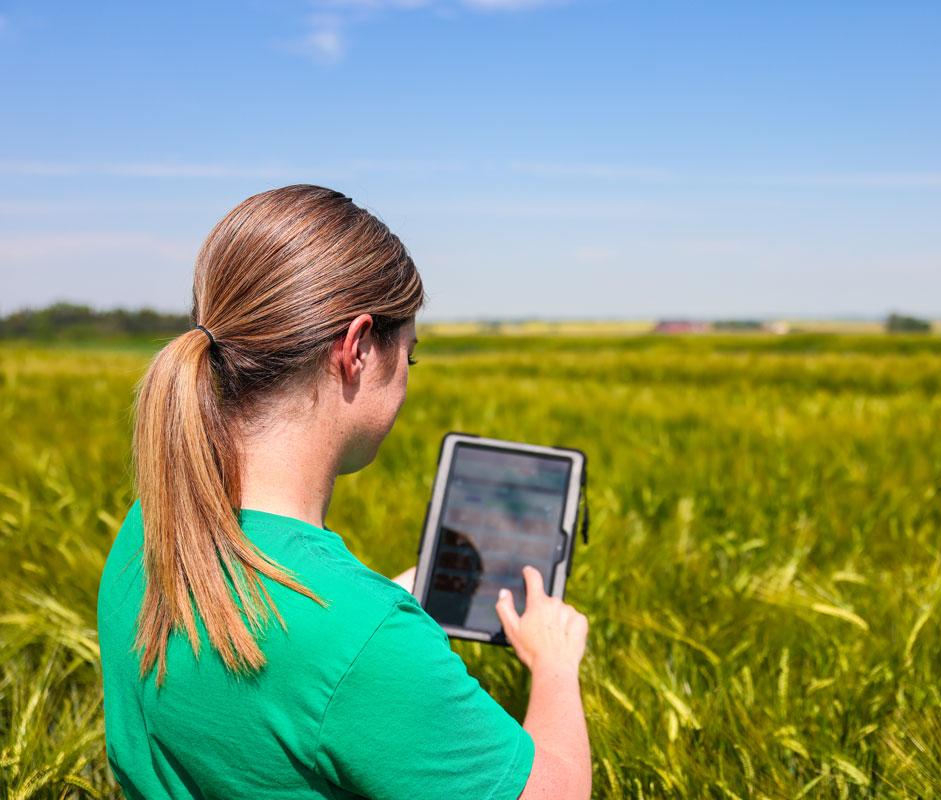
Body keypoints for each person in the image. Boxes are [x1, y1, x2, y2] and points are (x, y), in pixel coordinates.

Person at [96, 184, 592, 799]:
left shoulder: (151, 525)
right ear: (356, 349)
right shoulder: (363, 639)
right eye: (409, 358)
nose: (407, 382)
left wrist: (381, 602)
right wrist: (554, 665)